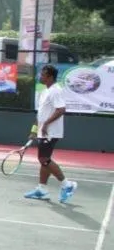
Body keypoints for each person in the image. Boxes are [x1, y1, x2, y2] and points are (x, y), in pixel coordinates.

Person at [25, 64, 77, 203]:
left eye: (43, 74)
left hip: (50, 132)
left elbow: (61, 109)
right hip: (43, 132)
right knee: (44, 160)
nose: (40, 76)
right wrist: (34, 130)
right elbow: (40, 114)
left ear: (50, 77)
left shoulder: (55, 91)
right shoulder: (44, 91)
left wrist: (46, 124)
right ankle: (42, 189)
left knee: (44, 159)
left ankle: (67, 184)